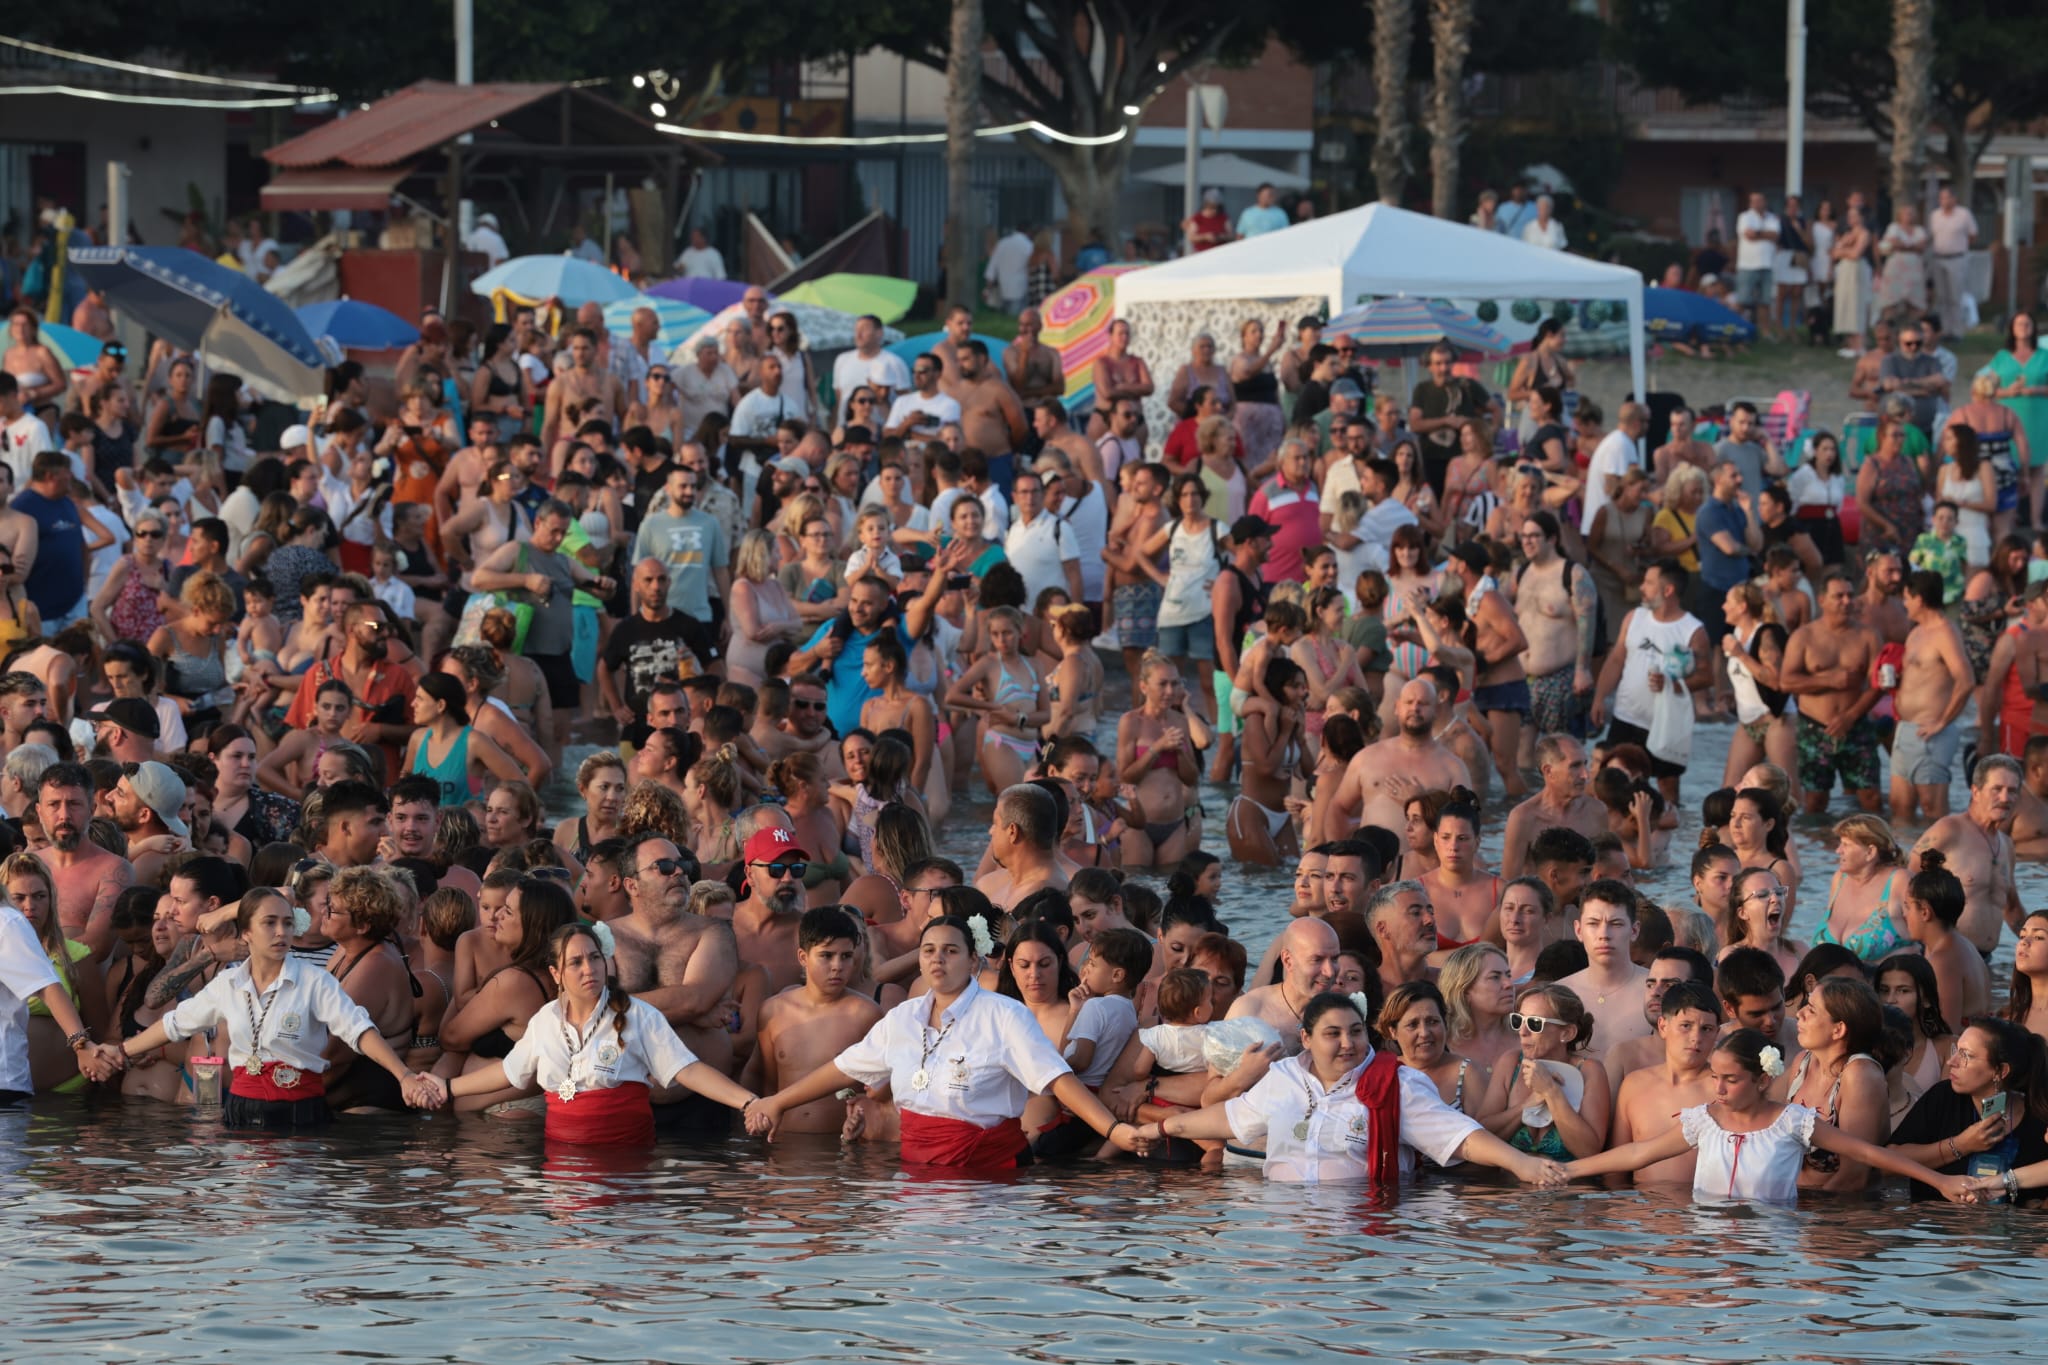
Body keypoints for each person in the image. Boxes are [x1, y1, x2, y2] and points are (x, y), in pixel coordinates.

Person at [749, 914, 1151, 1168]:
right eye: (928, 951)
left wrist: (1113, 1130)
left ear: (973, 962)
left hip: (990, 1178)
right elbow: (843, 1068)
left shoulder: (1004, 1015)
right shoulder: (902, 1018)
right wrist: (779, 1102)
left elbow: (1058, 1078)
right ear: (920, 961)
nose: (937, 959)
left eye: (950, 950)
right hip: (917, 1172)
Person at [1140, 990, 1564, 1185]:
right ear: (1305, 1039)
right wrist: (1160, 1129)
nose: (1348, 1043)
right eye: (1333, 1034)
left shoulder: (1394, 1082)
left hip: (1363, 1230)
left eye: (1356, 1032)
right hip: (1280, 1230)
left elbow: (1461, 1138)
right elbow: (1231, 1117)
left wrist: (1520, 1165)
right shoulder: (1284, 1078)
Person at [109, 893, 427, 1129]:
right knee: (242, 1213)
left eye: (288, 924)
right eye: (269, 923)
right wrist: (120, 1053)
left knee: (295, 1208)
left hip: (301, 1111)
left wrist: (405, 1076)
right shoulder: (228, 984)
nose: (281, 932)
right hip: (242, 1110)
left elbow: (358, 1030)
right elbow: (174, 1024)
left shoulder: (314, 981)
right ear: (246, 933)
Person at [1549, 1028, 1965, 1204]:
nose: (1719, 1089)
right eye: (1715, 1077)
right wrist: (1566, 1171)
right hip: (1710, 1245)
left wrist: (1941, 1180)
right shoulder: (1703, 1121)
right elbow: (1637, 1154)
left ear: (1762, 1081)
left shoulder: (1793, 1122)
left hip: (1773, 1245)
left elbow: (1871, 1153)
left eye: (1731, 1080)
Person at [1589, 560, 1711, 806]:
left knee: (1668, 790)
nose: (1641, 587)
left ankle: (1671, 843)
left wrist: (1672, 683)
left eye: (1649, 583)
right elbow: (1615, 661)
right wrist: (1599, 698)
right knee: (1610, 785)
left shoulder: (1693, 630)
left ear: (1668, 590)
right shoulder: (1634, 617)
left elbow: (1706, 677)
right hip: (1627, 716)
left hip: (1667, 724)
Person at [1911, 757, 2022, 960]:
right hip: (1944, 955)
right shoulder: (1949, 830)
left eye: (2012, 791)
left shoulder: (2007, 845)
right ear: (1975, 792)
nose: (2005, 798)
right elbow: (1905, 881)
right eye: (1997, 789)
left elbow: (2012, 908)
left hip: (1985, 959)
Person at [1889, 569, 1973, 825]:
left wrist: (1942, 722)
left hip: (1932, 733)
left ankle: (1938, 864)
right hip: (1905, 730)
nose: (1904, 604)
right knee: (1900, 808)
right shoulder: (1916, 632)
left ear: (1919, 599)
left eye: (1906, 598)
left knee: (1933, 811)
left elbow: (1966, 680)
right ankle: (1903, 863)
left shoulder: (1945, 632)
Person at [1500, 736, 1606, 879]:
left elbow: (1605, 874)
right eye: (1575, 766)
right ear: (1548, 771)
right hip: (1540, 899)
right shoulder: (1523, 818)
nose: (1585, 775)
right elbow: (1508, 883)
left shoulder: (1597, 812)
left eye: (1585, 764)